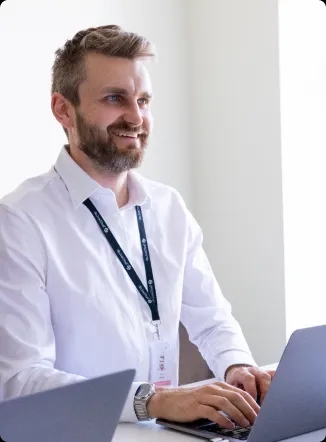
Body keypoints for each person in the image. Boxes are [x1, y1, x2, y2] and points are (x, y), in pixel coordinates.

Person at [0, 25, 274, 429]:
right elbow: (20, 380)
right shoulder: (19, 221)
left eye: (143, 100)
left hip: (167, 436)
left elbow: (212, 318)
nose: (135, 117)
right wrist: (153, 400)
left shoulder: (169, 208)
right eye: (115, 99)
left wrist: (238, 367)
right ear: (63, 109)